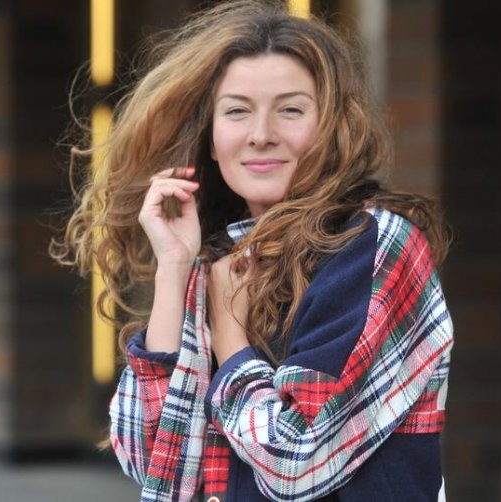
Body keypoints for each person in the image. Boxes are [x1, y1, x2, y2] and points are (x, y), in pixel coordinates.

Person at [52, 1, 454, 500]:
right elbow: (149, 457)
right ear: (211, 138)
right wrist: (173, 270)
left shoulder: (372, 249)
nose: (262, 135)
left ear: (332, 127)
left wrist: (230, 340)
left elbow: (297, 460)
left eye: (291, 110)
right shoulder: (220, 257)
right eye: (237, 111)